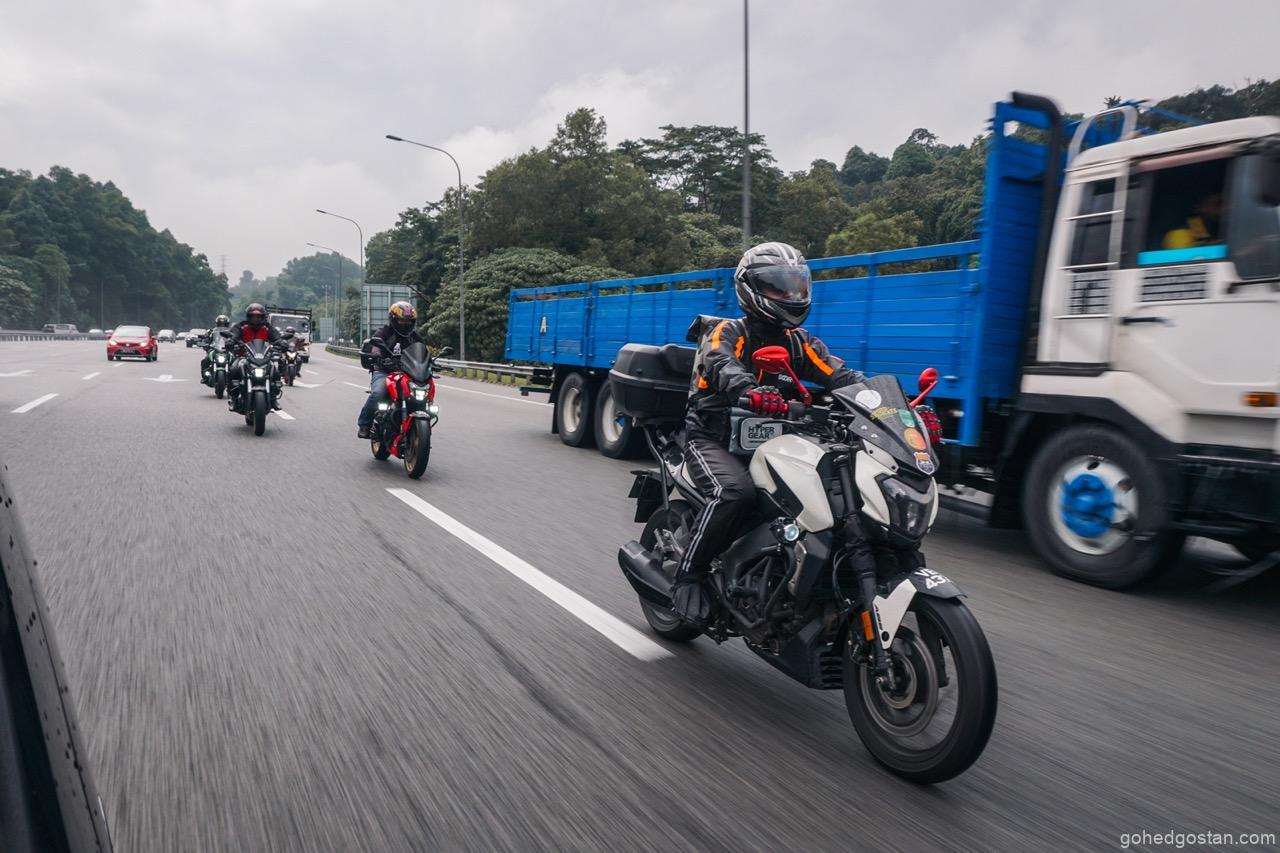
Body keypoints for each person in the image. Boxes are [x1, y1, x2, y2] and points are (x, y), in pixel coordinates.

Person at [672, 242, 865, 626]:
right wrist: (748, 390)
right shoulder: (729, 331)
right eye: (778, 287)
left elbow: (842, 376)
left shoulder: (800, 343)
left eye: (796, 286)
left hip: (777, 441)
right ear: (751, 288)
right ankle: (689, 574)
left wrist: (886, 404)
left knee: (828, 495)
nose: (790, 295)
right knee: (734, 493)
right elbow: (720, 361)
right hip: (712, 437)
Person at [357, 301, 423, 439]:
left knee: (422, 395)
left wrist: (430, 362)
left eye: (408, 321)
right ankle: (364, 424)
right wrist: (377, 355)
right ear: (393, 319)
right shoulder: (384, 332)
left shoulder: (414, 337)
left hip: (409, 374)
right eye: (401, 320)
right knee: (378, 393)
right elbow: (376, 345)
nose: (405, 324)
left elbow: (423, 351)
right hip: (384, 371)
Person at [226, 303, 285, 410]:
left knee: (275, 372)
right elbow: (234, 334)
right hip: (244, 357)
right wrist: (231, 341)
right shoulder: (241, 326)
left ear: (263, 317)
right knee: (233, 369)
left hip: (264, 358)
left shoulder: (267, 328)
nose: (255, 319)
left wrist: (282, 342)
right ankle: (233, 398)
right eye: (253, 316)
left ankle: (273, 398)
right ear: (248, 316)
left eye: (258, 317)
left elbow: (277, 337)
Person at [199, 314, 231, 380]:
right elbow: (206, 338)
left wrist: (235, 344)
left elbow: (236, 338)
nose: (222, 326)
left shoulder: (231, 332)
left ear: (227, 324)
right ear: (217, 324)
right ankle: (205, 377)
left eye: (224, 324)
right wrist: (205, 343)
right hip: (215, 350)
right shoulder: (211, 331)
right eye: (220, 324)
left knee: (236, 363)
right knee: (205, 360)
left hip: (228, 350)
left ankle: (236, 379)